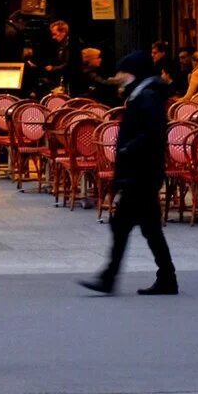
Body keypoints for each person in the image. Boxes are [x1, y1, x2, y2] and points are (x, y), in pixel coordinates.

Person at [82, 49, 176, 296]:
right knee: (149, 228)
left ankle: (109, 277)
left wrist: (126, 149)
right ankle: (167, 277)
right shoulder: (143, 95)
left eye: (123, 71)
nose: (119, 75)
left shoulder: (146, 97)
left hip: (141, 173)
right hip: (143, 172)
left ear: (133, 73)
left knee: (122, 225)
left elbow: (152, 134)